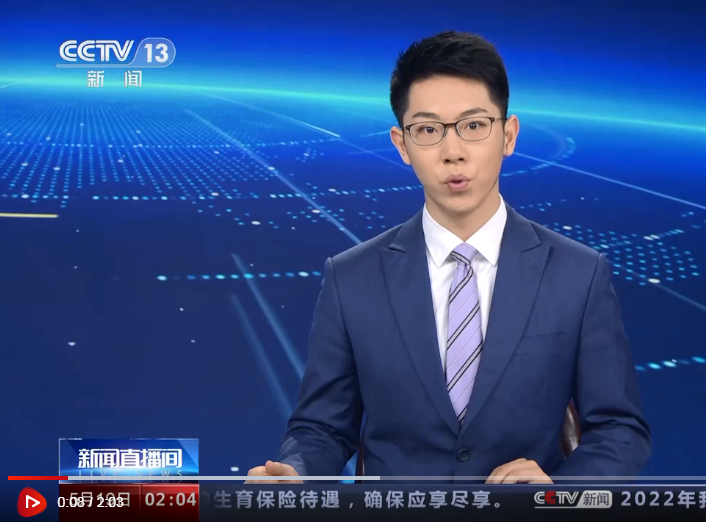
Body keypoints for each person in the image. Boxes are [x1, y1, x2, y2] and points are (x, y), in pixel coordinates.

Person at [248, 30, 650, 484]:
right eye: (428, 130)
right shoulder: (351, 278)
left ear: (508, 135)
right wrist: (296, 473)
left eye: (474, 126)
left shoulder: (578, 273)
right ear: (402, 145)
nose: (453, 153)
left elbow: (619, 430)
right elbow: (322, 428)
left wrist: (558, 493)